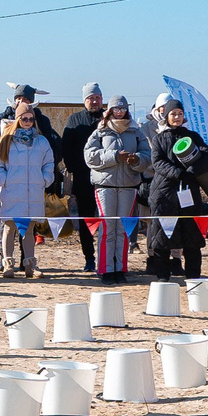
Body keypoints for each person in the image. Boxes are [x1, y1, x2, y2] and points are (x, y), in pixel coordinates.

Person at [143, 97, 208, 281]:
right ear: (166, 116)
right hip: (163, 194)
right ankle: (162, 279)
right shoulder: (159, 138)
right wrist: (178, 173)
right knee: (162, 239)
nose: (177, 117)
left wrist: (192, 171)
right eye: (173, 114)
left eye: (180, 114)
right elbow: (157, 163)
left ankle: (193, 278)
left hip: (188, 193)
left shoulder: (192, 136)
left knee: (192, 238)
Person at [83, 96, 152, 279]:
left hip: (128, 185)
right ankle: (105, 269)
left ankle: (120, 268)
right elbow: (89, 156)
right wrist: (114, 156)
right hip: (105, 185)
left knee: (122, 228)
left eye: (122, 108)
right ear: (110, 110)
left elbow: (148, 155)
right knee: (107, 228)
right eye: (116, 108)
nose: (119, 111)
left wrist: (137, 160)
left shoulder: (136, 131)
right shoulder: (101, 131)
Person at [0, 101, 59, 277]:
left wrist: (45, 179)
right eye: (24, 118)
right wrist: (4, 180)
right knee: (9, 226)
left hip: (33, 192)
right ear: (17, 119)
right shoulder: (6, 140)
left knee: (29, 229)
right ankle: (7, 264)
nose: (28, 121)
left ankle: (30, 265)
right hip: (11, 191)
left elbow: (49, 162)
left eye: (30, 118)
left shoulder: (41, 141)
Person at [59, 85, 107, 271]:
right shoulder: (74, 120)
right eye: (90, 98)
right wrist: (74, 169)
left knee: (107, 219)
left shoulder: (108, 118)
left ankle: (107, 257)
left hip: (107, 179)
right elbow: (67, 148)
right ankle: (89, 258)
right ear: (84, 100)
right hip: (83, 179)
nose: (94, 101)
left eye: (97, 97)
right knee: (87, 220)